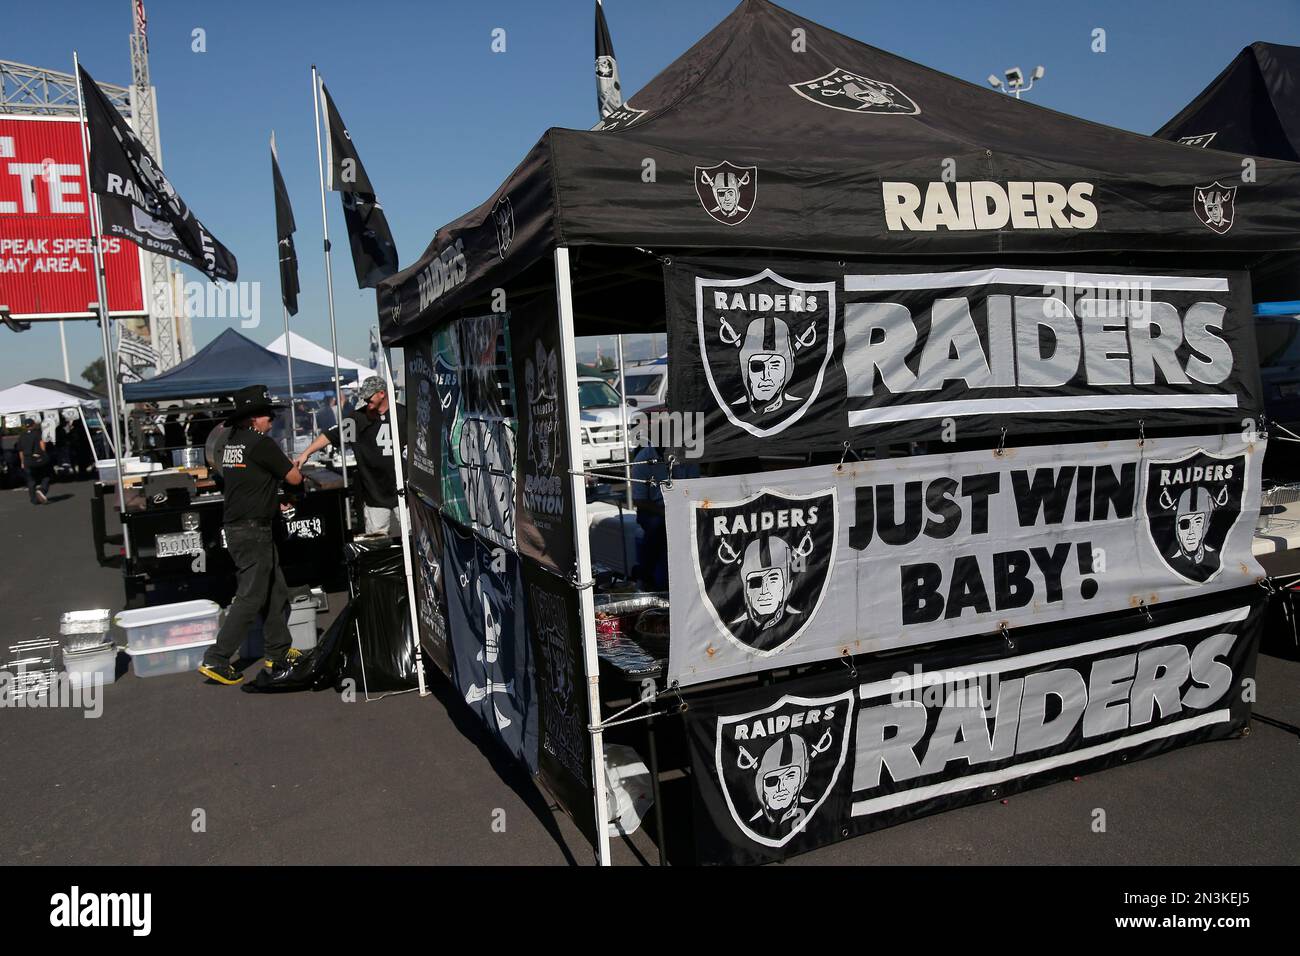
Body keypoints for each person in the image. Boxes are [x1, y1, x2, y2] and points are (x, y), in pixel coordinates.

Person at [197, 385, 305, 687]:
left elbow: (249, 481)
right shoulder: (261, 444)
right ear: (251, 418)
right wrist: (295, 470)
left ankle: (277, 651)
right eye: (265, 414)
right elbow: (294, 477)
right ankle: (216, 658)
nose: (270, 419)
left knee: (275, 590)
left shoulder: (232, 442)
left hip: (243, 525)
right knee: (252, 595)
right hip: (251, 528)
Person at [295, 377, 404, 536]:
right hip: (375, 494)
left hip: (403, 491)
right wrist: (306, 453)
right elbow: (330, 436)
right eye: (364, 397)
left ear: (382, 393)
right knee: (377, 541)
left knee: (415, 536)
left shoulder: (401, 414)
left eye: (369, 396)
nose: (366, 400)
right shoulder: (358, 419)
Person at [17, 418, 51, 505]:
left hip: (28, 460)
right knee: (46, 476)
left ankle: (34, 499)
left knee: (31, 480)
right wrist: (43, 454)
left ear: (25, 426)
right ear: (33, 425)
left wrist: (22, 462)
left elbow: (20, 451)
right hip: (39, 459)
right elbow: (42, 444)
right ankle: (42, 490)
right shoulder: (38, 433)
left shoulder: (21, 436)